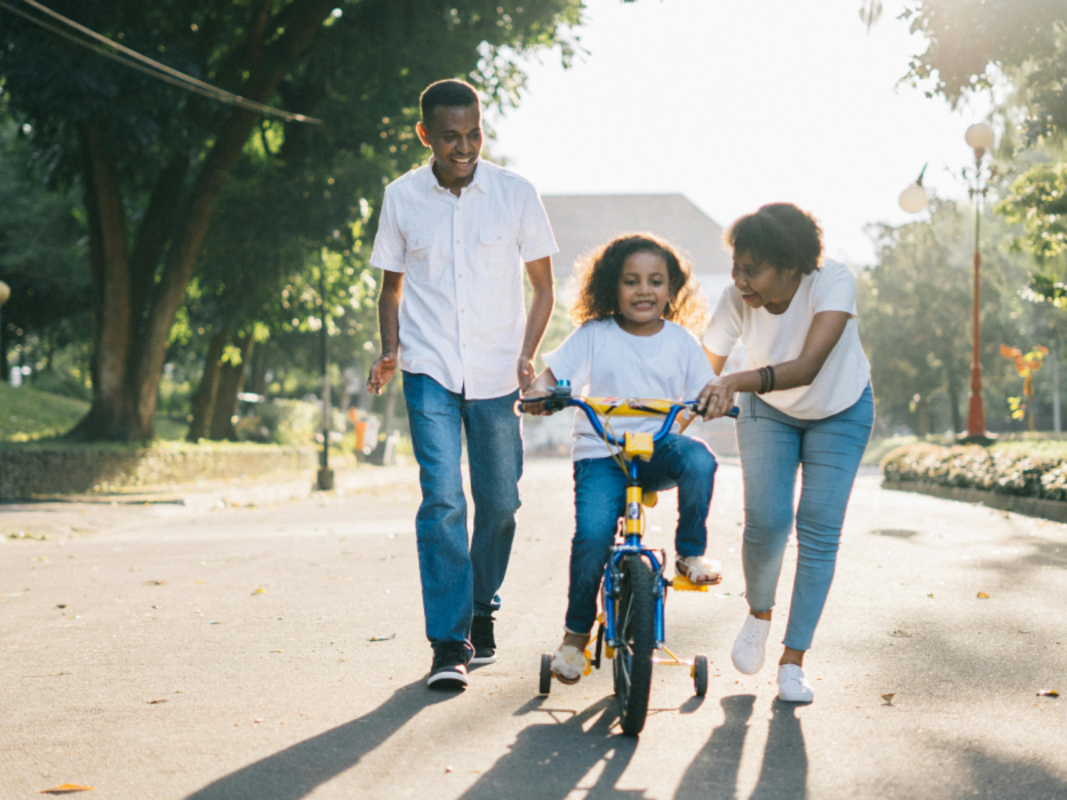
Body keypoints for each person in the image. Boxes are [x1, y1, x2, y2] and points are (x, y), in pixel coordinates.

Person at [367, 79, 558, 690]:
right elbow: (391, 287)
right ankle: (449, 643)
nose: (465, 146)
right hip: (428, 371)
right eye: (451, 136)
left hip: (499, 372)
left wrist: (528, 354)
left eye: (474, 133)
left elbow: (544, 287)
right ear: (426, 135)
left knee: (500, 503)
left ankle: (482, 608)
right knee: (444, 499)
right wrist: (391, 350)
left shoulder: (516, 193)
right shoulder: (401, 198)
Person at [524, 233, 723, 684]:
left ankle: (690, 554)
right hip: (601, 454)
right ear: (613, 287)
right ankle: (575, 638)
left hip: (656, 450)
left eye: (656, 281)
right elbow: (550, 377)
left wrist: (712, 401)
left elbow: (704, 391)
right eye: (631, 281)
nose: (644, 291)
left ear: (672, 290)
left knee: (701, 461)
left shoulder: (681, 341)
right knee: (593, 536)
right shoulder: (594, 335)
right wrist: (540, 393)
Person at [697, 202, 874, 704]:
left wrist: (733, 380)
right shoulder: (736, 299)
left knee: (818, 528)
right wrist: (671, 420)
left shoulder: (832, 282)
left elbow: (809, 365)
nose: (740, 280)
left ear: (791, 266)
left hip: (840, 407)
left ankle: (793, 661)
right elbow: (700, 370)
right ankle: (758, 613)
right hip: (768, 411)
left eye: (752, 270)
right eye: (736, 266)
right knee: (768, 521)